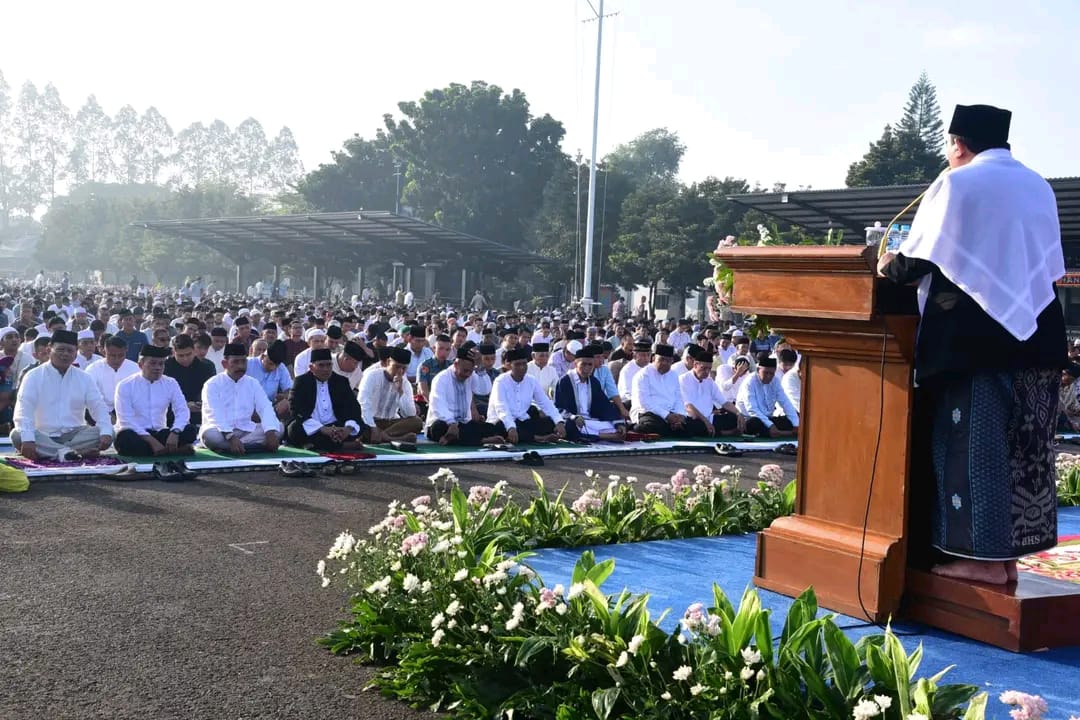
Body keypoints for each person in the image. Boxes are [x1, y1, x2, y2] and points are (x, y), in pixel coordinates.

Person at [878, 104, 1066, 584]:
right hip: (1039, 333)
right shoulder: (1038, 186)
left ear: (959, 144)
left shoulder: (956, 183)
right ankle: (1007, 559)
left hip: (974, 340)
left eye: (949, 145)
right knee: (1024, 451)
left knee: (972, 450)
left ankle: (980, 562)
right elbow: (1045, 263)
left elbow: (918, 258)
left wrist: (887, 267)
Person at [11, 330, 114, 460]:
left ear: (75, 354)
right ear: (49, 349)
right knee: (17, 435)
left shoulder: (84, 378)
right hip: (43, 435)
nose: (65, 354)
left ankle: (58, 453)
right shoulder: (33, 376)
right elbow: (23, 411)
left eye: (70, 351)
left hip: (75, 435)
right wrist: (28, 439)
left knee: (108, 432)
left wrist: (106, 432)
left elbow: (99, 407)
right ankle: (71, 453)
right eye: (60, 349)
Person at [114, 345, 197, 456]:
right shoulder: (125, 385)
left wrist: (175, 432)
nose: (158, 368)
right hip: (137, 434)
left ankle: (157, 450)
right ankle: (173, 450)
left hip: (160, 432)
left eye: (161, 364)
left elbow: (182, 410)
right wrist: (152, 442)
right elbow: (126, 420)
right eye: (153, 363)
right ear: (141, 364)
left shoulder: (171, 383)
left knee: (190, 430)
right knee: (125, 439)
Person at [200, 343, 282, 455]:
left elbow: (265, 407)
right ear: (225, 364)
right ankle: (250, 446)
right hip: (220, 432)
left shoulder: (252, 383)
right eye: (236, 362)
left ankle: (232, 447)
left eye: (244, 362)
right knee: (209, 435)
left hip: (246, 429)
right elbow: (215, 414)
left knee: (278, 427)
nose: (241, 366)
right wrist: (230, 437)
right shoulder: (212, 384)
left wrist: (270, 433)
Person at [287, 348, 368, 451]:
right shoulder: (301, 382)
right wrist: (322, 429)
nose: (326, 369)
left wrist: (347, 429)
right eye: (321, 365)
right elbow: (295, 409)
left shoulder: (341, 381)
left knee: (360, 425)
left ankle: (318, 445)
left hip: (336, 425)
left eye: (329, 365)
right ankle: (341, 446)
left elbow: (353, 408)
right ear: (311, 367)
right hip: (314, 427)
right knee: (294, 429)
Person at [424, 345, 504, 446]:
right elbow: (438, 405)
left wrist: (480, 367)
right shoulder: (441, 379)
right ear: (456, 364)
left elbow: (484, 390)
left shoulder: (470, 375)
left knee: (491, 428)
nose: (467, 374)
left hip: (464, 424)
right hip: (444, 422)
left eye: (470, 371)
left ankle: (456, 439)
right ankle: (482, 441)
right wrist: (451, 423)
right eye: (465, 371)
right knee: (439, 428)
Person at [486, 348, 566, 444]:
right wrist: (511, 427)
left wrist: (559, 421)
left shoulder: (531, 380)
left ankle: (531, 436)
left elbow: (545, 403)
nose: (522, 367)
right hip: (502, 421)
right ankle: (538, 438)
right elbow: (501, 408)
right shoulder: (500, 381)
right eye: (517, 364)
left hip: (523, 421)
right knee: (502, 427)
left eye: (524, 364)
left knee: (548, 422)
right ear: (509, 365)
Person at [553, 345, 626, 442]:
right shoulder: (565, 381)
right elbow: (558, 408)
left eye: (590, 365)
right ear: (575, 364)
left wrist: (618, 423)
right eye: (583, 364)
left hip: (591, 421)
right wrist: (573, 417)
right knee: (570, 426)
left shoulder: (594, 382)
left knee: (617, 423)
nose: (587, 368)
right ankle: (607, 436)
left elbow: (604, 405)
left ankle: (601, 435)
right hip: (575, 421)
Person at [357, 346, 424, 442]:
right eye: (397, 367)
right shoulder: (372, 376)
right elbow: (363, 404)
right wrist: (373, 427)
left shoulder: (405, 384)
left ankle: (383, 436)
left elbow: (410, 413)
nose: (400, 371)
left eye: (404, 368)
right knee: (359, 428)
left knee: (417, 422)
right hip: (370, 421)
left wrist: (400, 391)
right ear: (388, 362)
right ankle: (393, 438)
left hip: (391, 424)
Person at [679, 351, 745, 436]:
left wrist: (738, 413)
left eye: (709, 369)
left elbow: (724, 402)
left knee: (734, 418)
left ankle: (713, 431)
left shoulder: (709, 381)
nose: (707, 372)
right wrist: (705, 421)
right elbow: (688, 406)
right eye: (704, 368)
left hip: (710, 418)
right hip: (693, 418)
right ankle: (724, 433)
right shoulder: (683, 380)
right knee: (686, 424)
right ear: (695, 365)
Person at [630, 344, 690, 437]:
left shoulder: (673, 375)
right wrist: (667, 416)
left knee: (691, 426)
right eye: (661, 359)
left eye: (668, 361)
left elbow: (678, 398)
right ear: (654, 358)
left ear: (672, 361)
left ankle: (673, 427)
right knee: (652, 426)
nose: (664, 363)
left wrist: (680, 415)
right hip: (648, 413)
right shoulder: (643, 375)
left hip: (670, 413)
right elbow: (645, 403)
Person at [735, 353, 799, 437]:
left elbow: (785, 403)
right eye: (766, 373)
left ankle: (775, 432)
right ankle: (782, 433)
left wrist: (796, 424)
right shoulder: (749, 382)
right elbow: (752, 410)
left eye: (771, 373)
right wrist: (770, 425)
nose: (768, 376)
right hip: (749, 418)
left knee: (790, 420)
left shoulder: (775, 381)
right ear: (758, 370)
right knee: (754, 423)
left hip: (769, 419)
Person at [164, 334, 217, 427]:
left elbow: (213, 394)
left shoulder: (207, 367)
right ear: (173, 352)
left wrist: (202, 403)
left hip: (200, 417)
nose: (185, 359)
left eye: (188, 354)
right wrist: (184, 406)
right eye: (180, 355)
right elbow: (160, 398)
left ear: (194, 351)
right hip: (171, 417)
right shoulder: (165, 368)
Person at [84, 337, 140, 419]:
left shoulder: (135, 369)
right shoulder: (93, 369)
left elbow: (139, 397)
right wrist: (107, 415)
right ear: (104, 352)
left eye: (121, 355)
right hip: (100, 412)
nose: (117, 360)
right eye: (112, 356)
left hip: (129, 413)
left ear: (126, 351)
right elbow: (91, 397)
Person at [245, 340, 292, 418]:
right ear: (263, 356)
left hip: (269, 408)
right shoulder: (248, 364)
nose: (273, 368)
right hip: (247, 407)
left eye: (276, 365)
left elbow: (290, 390)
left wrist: (285, 397)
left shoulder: (281, 368)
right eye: (270, 364)